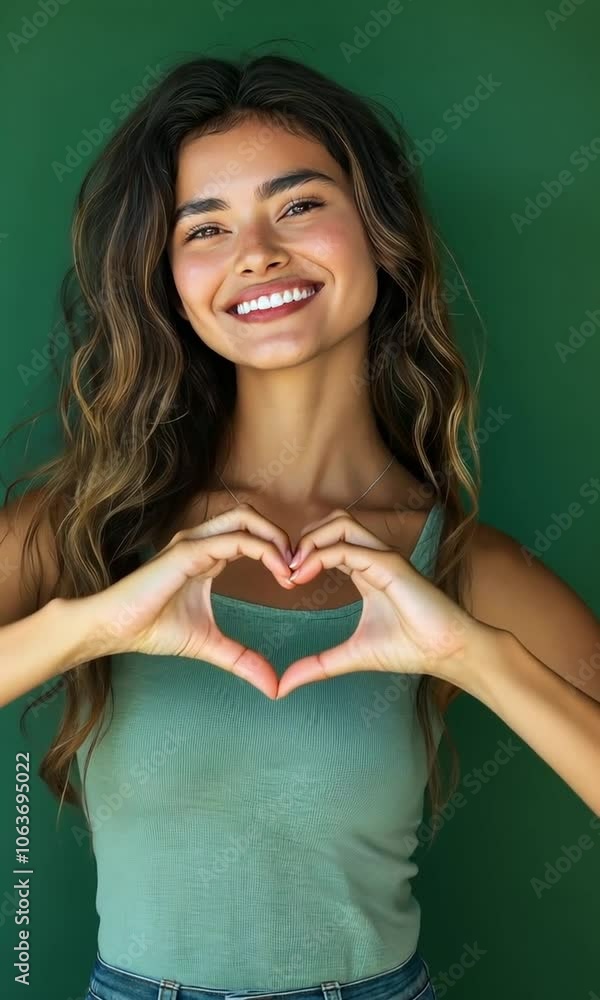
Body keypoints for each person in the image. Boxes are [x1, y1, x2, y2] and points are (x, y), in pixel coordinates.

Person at [2, 51, 599, 1000]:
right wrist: (88, 627)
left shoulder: (463, 566)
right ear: (168, 279)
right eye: (206, 227)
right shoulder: (81, 528)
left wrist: (474, 658)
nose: (257, 251)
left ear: (381, 236)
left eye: (299, 204)